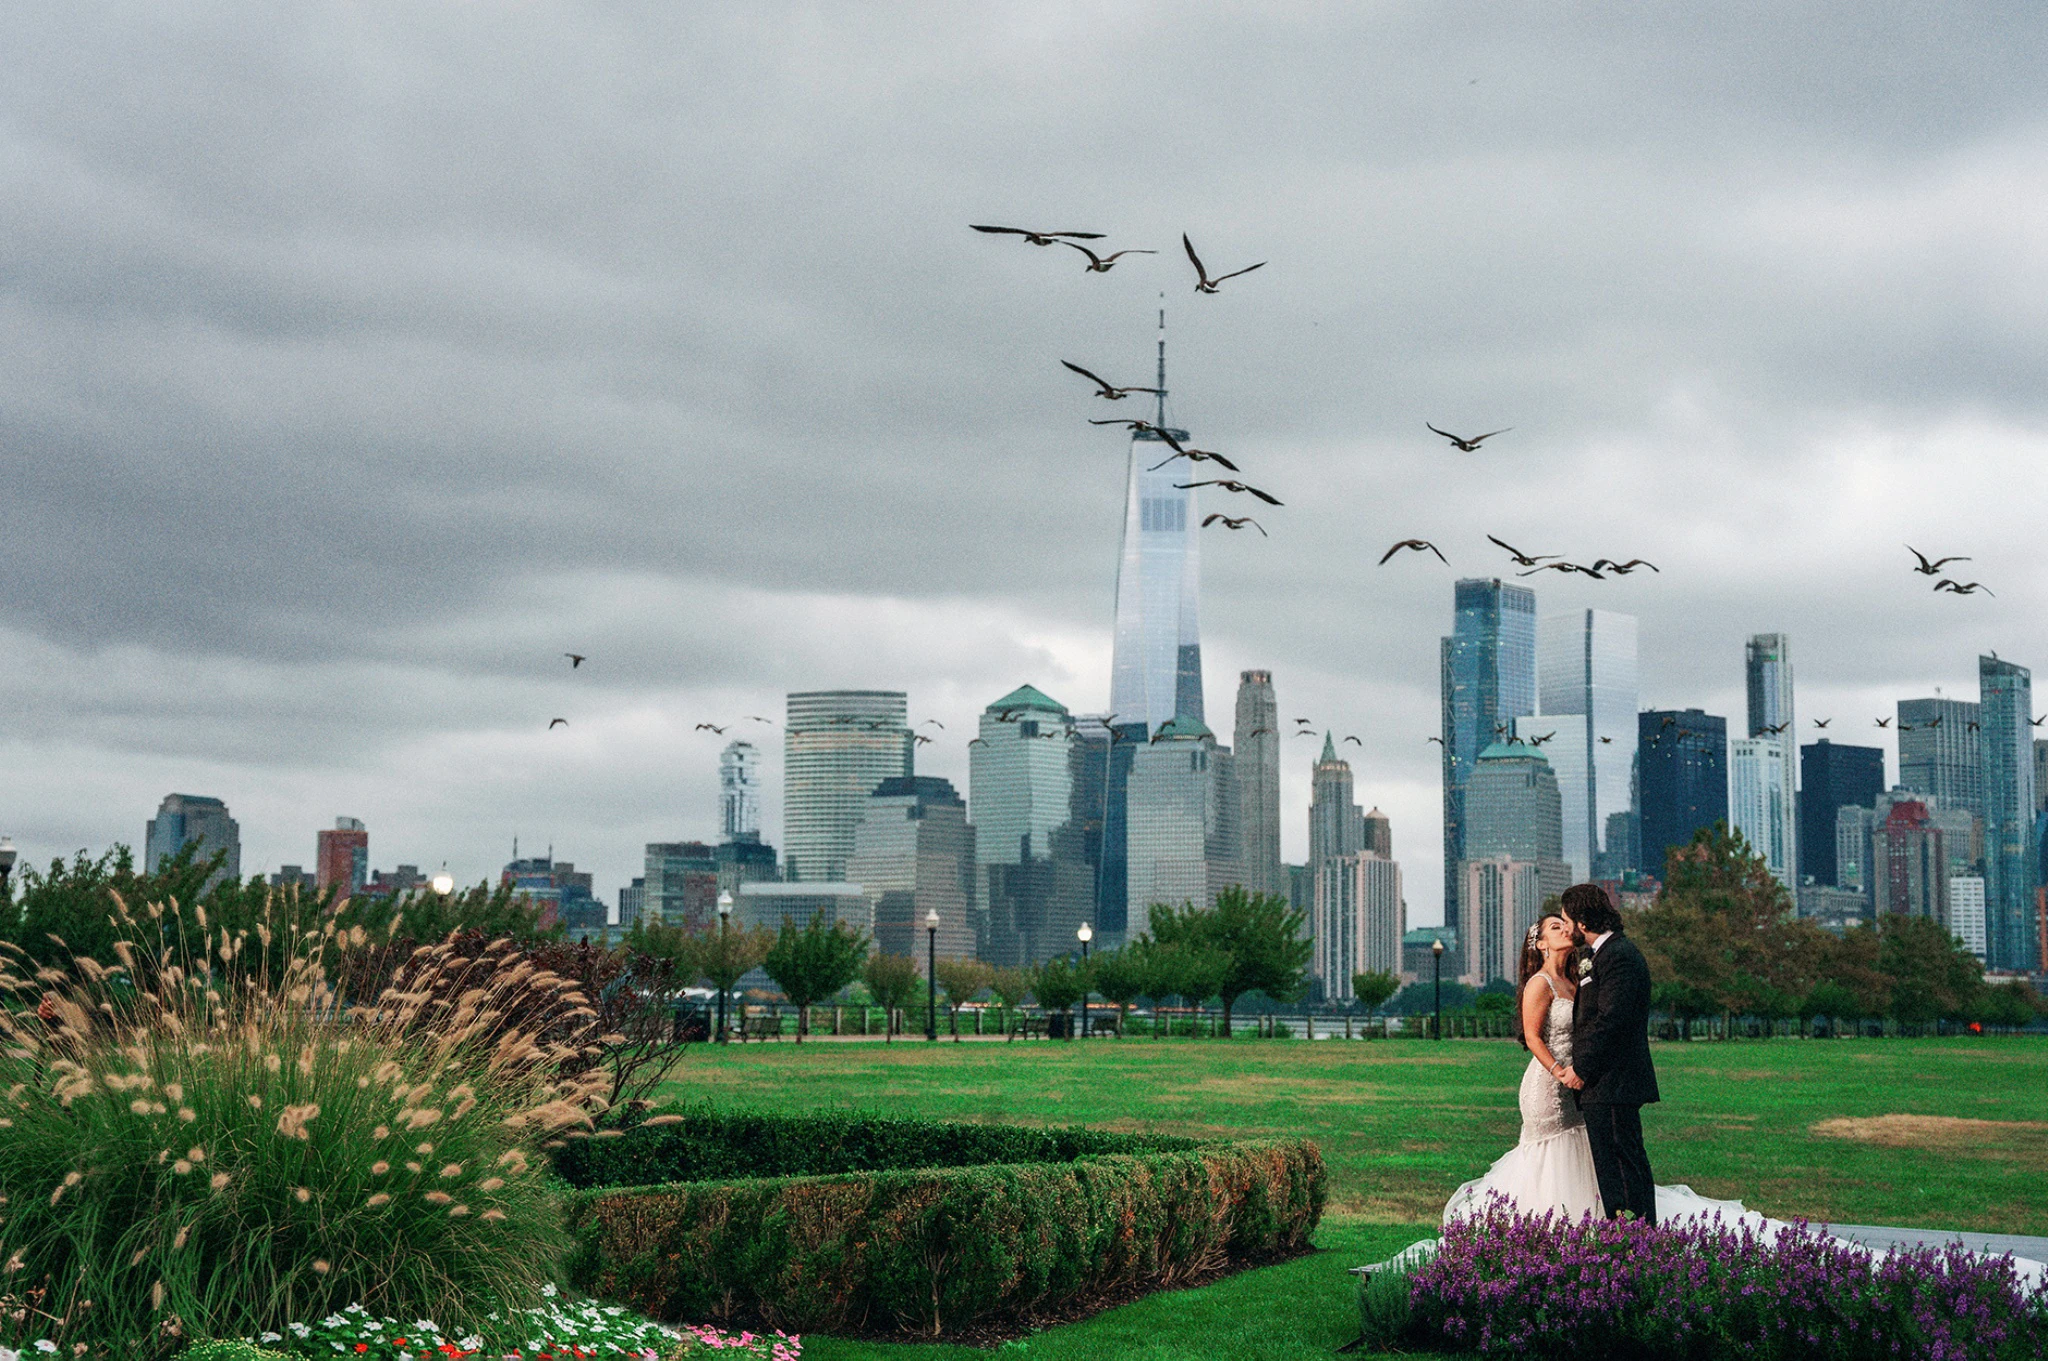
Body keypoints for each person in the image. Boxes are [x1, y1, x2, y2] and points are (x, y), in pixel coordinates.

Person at [1440, 910, 1601, 1223]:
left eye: (1566, 925)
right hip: (1548, 1086)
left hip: (1577, 1084)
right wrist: (1559, 1072)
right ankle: (1541, 1227)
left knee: (1578, 1149)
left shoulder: (1573, 981)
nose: (1565, 930)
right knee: (1551, 1155)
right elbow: (1532, 1037)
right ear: (1541, 944)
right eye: (1556, 927)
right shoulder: (1540, 984)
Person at [1557, 880, 1659, 1222]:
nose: (1566, 927)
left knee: (1622, 1171)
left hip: (1613, 1082)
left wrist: (1581, 1069)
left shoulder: (1619, 957)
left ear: (1582, 922)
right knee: (1618, 1169)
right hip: (1607, 1084)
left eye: (1566, 920)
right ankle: (1637, 1240)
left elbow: (1611, 1020)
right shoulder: (1602, 955)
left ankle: (1634, 1242)